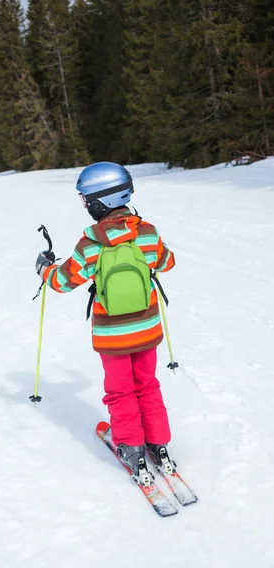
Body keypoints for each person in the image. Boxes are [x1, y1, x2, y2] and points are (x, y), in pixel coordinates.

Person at [35, 162, 176, 480]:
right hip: (147, 328)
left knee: (121, 391)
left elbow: (61, 281)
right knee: (147, 386)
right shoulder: (147, 233)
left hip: (112, 337)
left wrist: (44, 268)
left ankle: (132, 449)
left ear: (98, 203)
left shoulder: (91, 245)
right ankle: (158, 445)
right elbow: (167, 262)